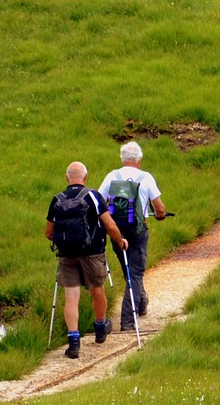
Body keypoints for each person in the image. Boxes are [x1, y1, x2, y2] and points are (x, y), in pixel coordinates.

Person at [46, 161, 130, 357]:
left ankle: (74, 341)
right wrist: (121, 242)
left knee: (71, 297)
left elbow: (48, 232)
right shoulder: (92, 195)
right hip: (92, 253)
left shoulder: (57, 199)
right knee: (97, 290)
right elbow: (110, 226)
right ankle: (100, 327)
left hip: (67, 255)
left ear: (67, 178)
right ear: (86, 177)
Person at [99, 143, 169, 333]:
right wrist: (160, 215)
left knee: (130, 270)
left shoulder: (112, 176)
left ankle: (142, 301)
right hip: (137, 231)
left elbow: (99, 202)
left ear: (122, 159)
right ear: (140, 159)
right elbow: (160, 209)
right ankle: (128, 321)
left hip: (116, 232)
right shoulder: (146, 177)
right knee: (136, 273)